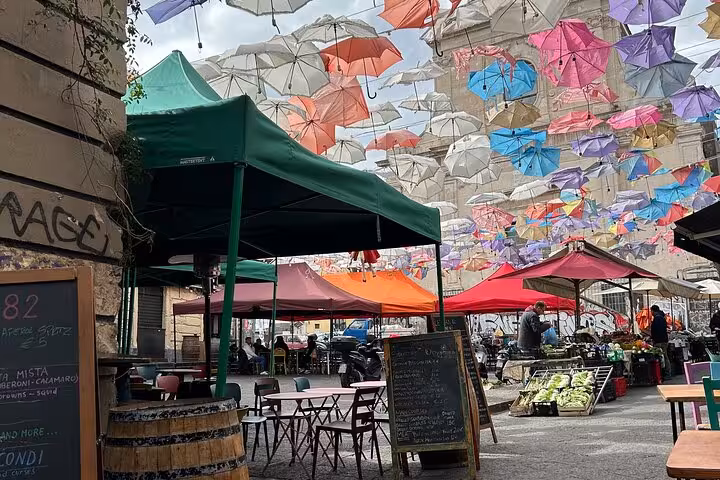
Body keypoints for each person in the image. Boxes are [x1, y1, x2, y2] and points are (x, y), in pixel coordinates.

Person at [650, 305, 671, 378]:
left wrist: (653, 337)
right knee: (665, 356)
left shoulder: (657, 318)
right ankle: (667, 373)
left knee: (661, 357)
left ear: (653, 311)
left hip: (659, 341)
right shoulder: (662, 317)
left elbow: (656, 330)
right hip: (664, 340)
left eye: (651, 311)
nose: (651, 313)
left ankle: (664, 373)